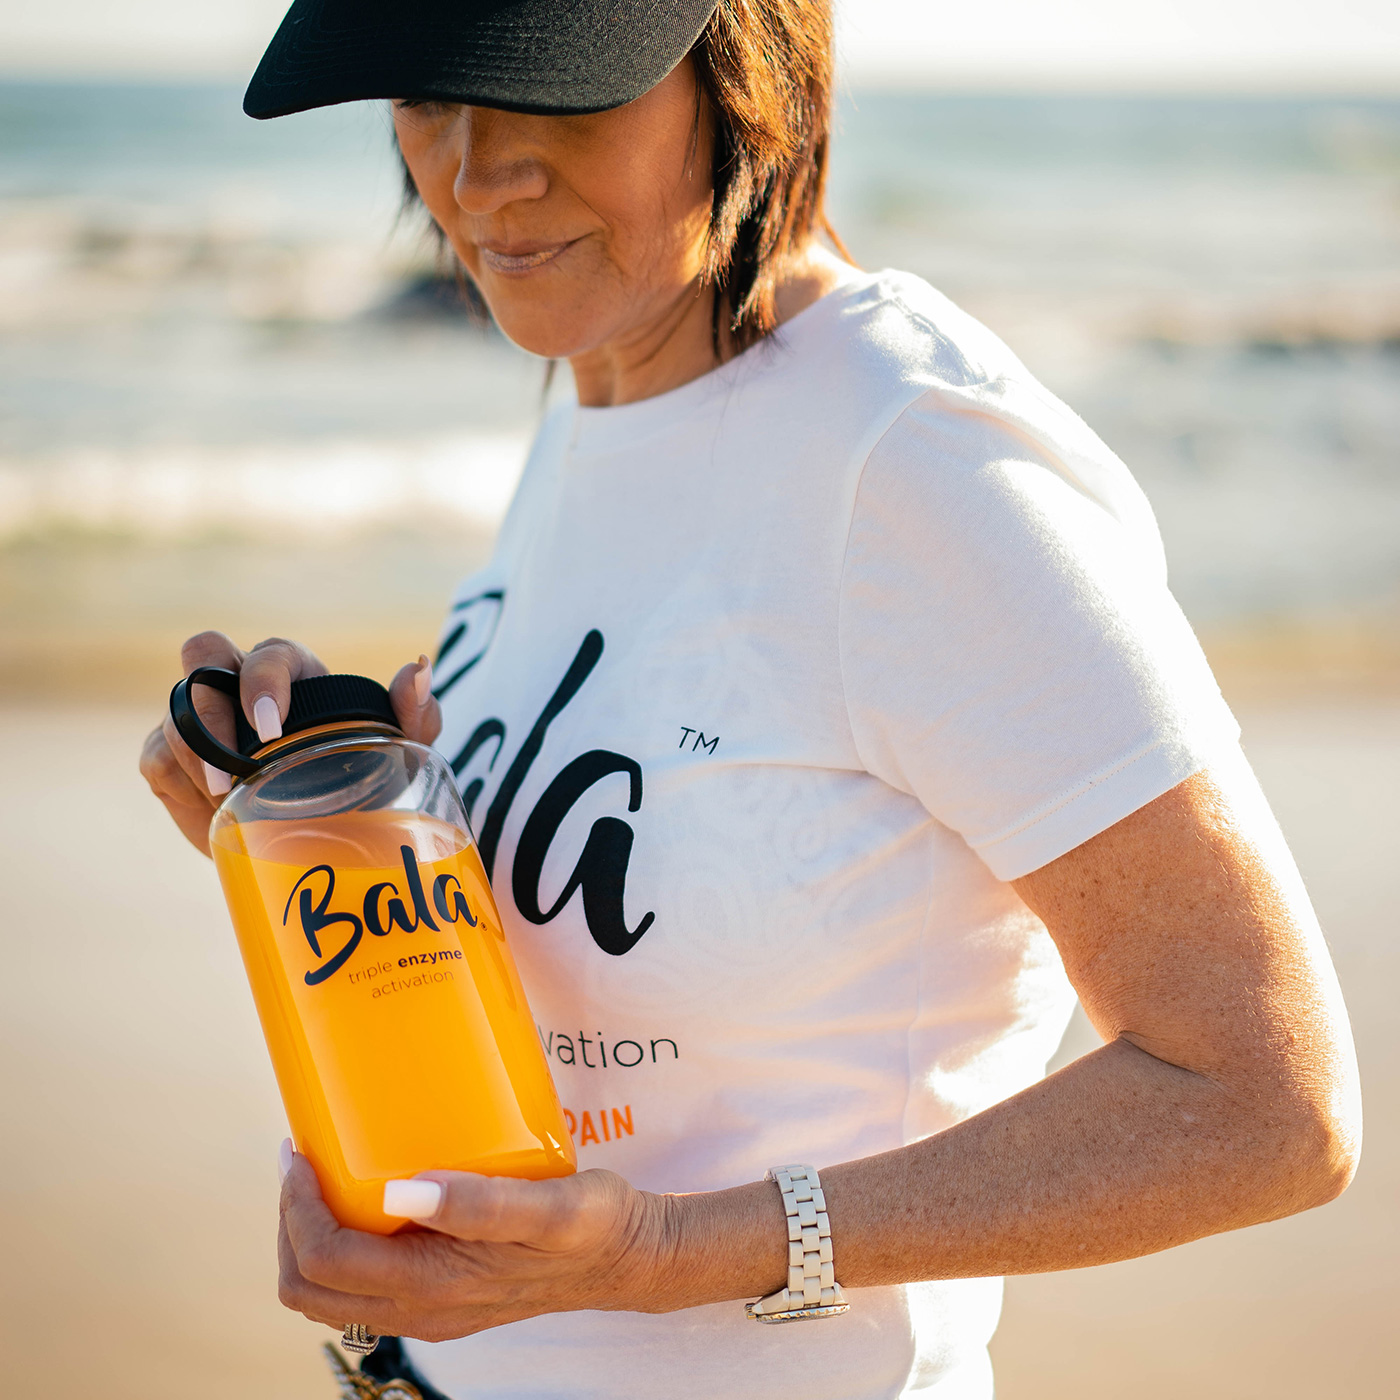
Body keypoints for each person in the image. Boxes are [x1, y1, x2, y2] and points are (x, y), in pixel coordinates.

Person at [139, 2, 1362, 1398]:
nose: (479, 179)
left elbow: (1270, 1107)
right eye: (429, 104)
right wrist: (337, 826)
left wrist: (665, 1253)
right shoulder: (600, 384)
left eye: (551, 99)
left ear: (750, 71)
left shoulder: (918, 460)